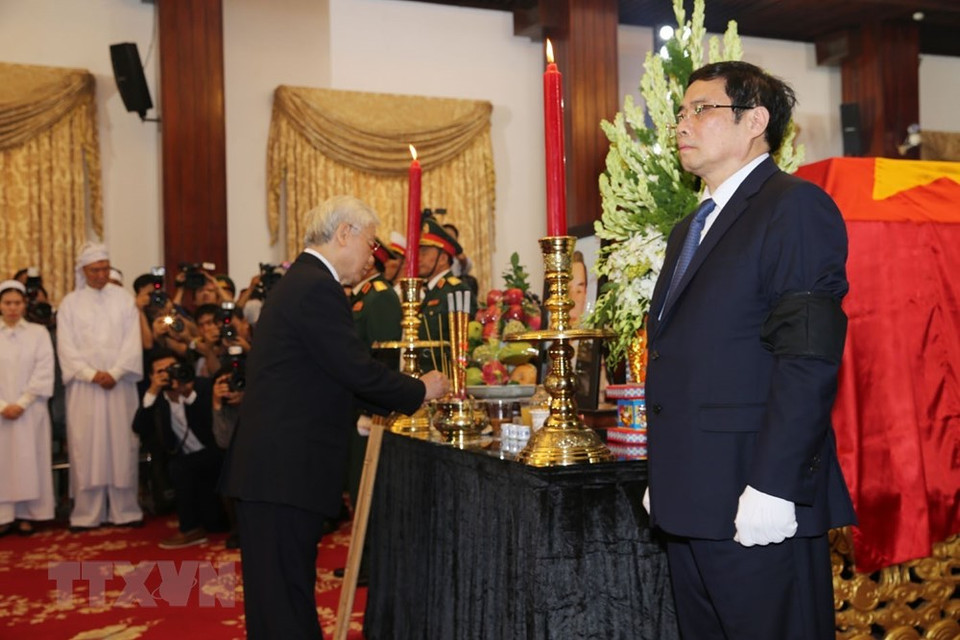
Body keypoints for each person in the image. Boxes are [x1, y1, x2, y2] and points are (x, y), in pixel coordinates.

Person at [643, 61, 855, 640]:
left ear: (755, 121)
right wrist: (670, 472)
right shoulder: (691, 228)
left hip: (755, 494)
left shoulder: (794, 207)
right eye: (681, 113)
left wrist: (775, 486)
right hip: (694, 495)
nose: (682, 124)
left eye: (701, 109)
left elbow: (807, 357)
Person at [220, 195, 449, 639]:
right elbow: (354, 369)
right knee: (285, 605)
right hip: (283, 473)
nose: (372, 257)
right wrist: (419, 389)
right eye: (370, 244)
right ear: (344, 233)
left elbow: (331, 376)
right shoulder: (315, 287)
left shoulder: (302, 281)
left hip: (273, 472)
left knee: (276, 601)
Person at [57, 243, 144, 530]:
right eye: (95, 270)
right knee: (86, 448)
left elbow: (132, 342)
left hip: (119, 386)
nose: (101, 274)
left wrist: (116, 372)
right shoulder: (70, 303)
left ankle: (125, 511)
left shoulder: (124, 299)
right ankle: (86, 514)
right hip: (85, 388)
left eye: (105, 268)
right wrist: (91, 374)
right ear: (83, 271)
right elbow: (66, 347)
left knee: (122, 447)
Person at [133, 349, 226, 548]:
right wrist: (152, 391)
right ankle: (192, 527)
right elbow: (139, 428)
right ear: (152, 377)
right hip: (187, 462)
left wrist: (188, 395)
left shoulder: (202, 386)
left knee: (181, 467)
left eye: (172, 368)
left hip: (217, 455)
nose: (169, 374)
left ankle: (193, 528)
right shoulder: (156, 399)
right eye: (161, 372)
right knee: (180, 467)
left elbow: (216, 426)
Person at [0, 280, 55, 536]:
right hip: (1, 412)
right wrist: (3, 406)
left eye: (17, 303)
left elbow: (44, 370)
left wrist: (22, 403)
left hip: (30, 410)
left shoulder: (38, 333)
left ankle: (27, 515)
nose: (12, 308)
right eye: (7, 303)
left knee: (29, 460)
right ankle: (3, 515)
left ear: (25, 305)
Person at [417, 214, 477, 372]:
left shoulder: (456, 290)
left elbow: (465, 343)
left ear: (443, 259)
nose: (418, 258)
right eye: (418, 252)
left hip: (446, 375)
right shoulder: (429, 291)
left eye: (424, 252)